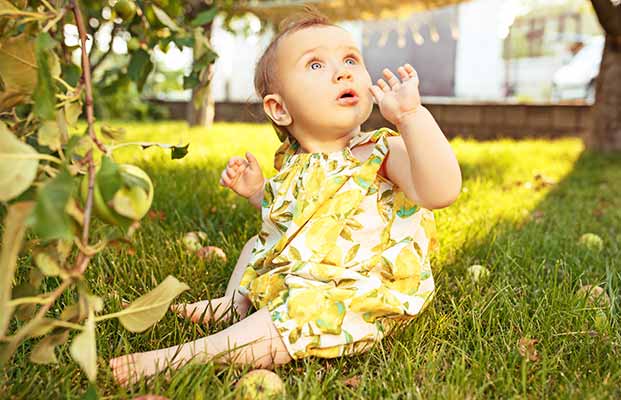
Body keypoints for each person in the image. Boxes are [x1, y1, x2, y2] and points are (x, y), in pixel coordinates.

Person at [109, 5, 462, 385]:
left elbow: (441, 190)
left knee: (302, 310)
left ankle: (185, 357)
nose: (342, 71)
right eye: (315, 65)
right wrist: (258, 192)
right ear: (279, 109)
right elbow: (290, 220)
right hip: (302, 273)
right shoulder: (293, 164)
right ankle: (233, 304)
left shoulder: (381, 152)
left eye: (350, 59)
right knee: (255, 245)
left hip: (357, 287)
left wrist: (412, 118)